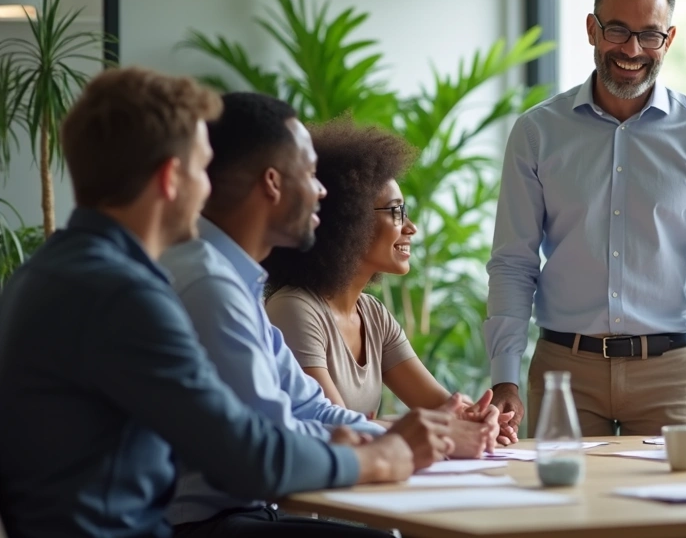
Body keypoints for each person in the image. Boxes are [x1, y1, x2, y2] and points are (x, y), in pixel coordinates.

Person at [0, 68, 450, 538]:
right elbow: (249, 457)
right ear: (172, 178)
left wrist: (385, 442)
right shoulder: (126, 294)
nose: (210, 188)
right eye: (202, 168)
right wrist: (376, 457)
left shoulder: (48, 273)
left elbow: (261, 428)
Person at [158, 92, 484, 536]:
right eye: (310, 173)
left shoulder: (232, 279)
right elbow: (272, 441)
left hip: (243, 512)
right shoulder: (210, 287)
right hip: (203, 523)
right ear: (273, 183)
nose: (323, 192)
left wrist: (417, 435)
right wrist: (387, 449)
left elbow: (308, 406)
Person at [484, 0, 686, 438]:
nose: (632, 50)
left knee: (681, 490)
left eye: (649, 35)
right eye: (617, 30)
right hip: (564, 372)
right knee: (558, 490)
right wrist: (504, 377)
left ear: (668, 40)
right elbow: (513, 262)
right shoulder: (537, 133)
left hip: (670, 375)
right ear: (592, 30)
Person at [262, 119, 516, 447]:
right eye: (396, 212)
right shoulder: (294, 309)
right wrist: (438, 427)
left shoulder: (373, 314)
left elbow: (442, 407)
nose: (411, 227)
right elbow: (333, 426)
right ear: (348, 219)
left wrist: (478, 417)